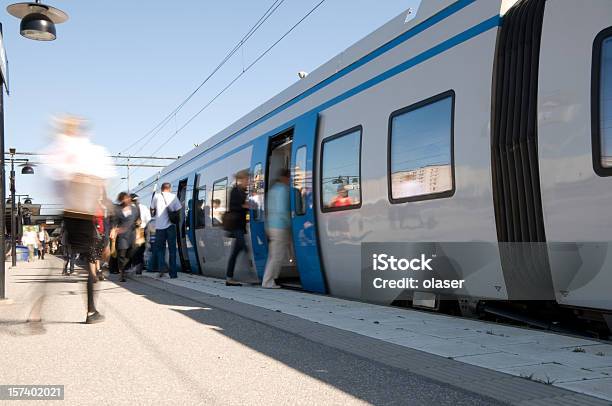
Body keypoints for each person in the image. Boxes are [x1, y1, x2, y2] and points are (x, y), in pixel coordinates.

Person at [42, 115, 116, 324]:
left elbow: (56, 182)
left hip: (70, 213)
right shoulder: (86, 150)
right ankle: (91, 311)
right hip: (84, 213)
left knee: (90, 261)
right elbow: (101, 179)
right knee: (92, 263)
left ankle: (40, 309)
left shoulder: (57, 150)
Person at [262, 169, 291, 289]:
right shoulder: (283, 190)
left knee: (273, 255)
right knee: (277, 256)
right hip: (280, 226)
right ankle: (268, 281)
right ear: (286, 178)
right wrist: (290, 223)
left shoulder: (273, 190)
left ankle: (268, 280)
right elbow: (282, 210)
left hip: (271, 226)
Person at [151, 182, 181, 278]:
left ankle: (162, 268)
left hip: (159, 227)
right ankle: (173, 274)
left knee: (160, 250)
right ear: (169, 188)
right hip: (171, 227)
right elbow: (179, 209)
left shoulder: (156, 196)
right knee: (172, 250)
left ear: (162, 188)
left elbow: (152, 209)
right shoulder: (173, 197)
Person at [225, 170, 250, 286]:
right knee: (244, 248)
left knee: (237, 251)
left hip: (240, 225)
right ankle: (250, 274)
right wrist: (244, 206)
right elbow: (233, 206)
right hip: (236, 225)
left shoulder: (243, 191)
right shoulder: (235, 190)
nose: (248, 182)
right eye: (247, 179)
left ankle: (229, 278)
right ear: (242, 179)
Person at [113, 192, 140, 283]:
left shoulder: (135, 209)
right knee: (121, 254)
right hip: (122, 236)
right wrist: (114, 230)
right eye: (124, 199)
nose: (126, 200)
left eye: (127, 198)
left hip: (132, 235)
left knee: (130, 253)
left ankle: (126, 268)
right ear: (121, 200)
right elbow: (114, 222)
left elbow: (138, 219)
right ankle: (122, 273)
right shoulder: (117, 210)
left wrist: (138, 223)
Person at [131, 193, 150, 274]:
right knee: (140, 250)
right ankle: (139, 268)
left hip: (134, 231)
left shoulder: (129, 208)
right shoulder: (144, 207)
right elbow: (149, 220)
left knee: (134, 250)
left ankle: (135, 266)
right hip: (142, 230)